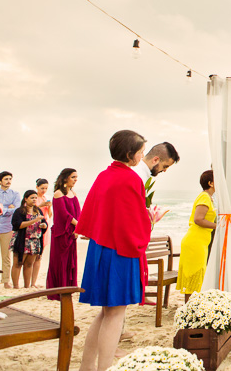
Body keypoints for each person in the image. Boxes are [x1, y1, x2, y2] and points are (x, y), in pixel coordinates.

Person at [77, 130, 152, 371]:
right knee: (115, 315)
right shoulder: (131, 179)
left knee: (104, 314)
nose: (142, 156)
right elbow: (134, 221)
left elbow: (94, 214)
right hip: (119, 251)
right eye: (140, 151)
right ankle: (104, 369)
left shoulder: (103, 175)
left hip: (100, 248)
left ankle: (86, 367)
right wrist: (151, 220)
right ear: (130, 154)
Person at [177, 170, 217, 302]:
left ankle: (193, 308)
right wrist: (218, 226)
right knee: (194, 276)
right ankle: (190, 309)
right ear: (210, 183)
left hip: (200, 241)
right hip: (195, 242)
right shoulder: (204, 197)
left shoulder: (209, 198)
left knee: (198, 276)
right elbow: (198, 219)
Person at [46, 168, 81, 300]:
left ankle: (69, 288)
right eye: (73, 177)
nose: (75, 179)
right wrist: (77, 224)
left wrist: (78, 228)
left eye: (76, 177)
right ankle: (58, 290)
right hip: (62, 233)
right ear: (66, 178)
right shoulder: (58, 194)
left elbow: (79, 212)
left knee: (70, 261)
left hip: (72, 233)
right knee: (60, 261)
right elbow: (63, 214)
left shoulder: (73, 193)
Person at [9, 190, 48, 288]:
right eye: (32, 198)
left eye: (35, 198)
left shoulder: (38, 210)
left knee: (29, 264)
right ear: (26, 199)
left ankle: (27, 286)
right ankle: (16, 286)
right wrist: (34, 220)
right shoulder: (20, 211)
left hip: (35, 240)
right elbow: (17, 225)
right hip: (22, 240)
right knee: (18, 263)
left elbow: (44, 222)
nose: (34, 200)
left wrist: (44, 225)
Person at [0, 171, 21, 287]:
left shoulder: (15, 194)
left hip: (7, 228)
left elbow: (17, 209)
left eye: (10, 179)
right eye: (6, 179)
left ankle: (6, 281)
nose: (8, 181)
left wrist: (0, 209)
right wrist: (7, 208)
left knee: (6, 256)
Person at [31, 178, 52, 288]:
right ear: (37, 187)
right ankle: (29, 281)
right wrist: (41, 204)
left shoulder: (45, 198)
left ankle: (33, 282)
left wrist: (49, 207)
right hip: (34, 226)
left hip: (45, 225)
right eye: (42, 188)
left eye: (46, 188)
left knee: (39, 255)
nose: (44, 190)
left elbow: (50, 215)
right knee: (32, 255)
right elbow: (29, 210)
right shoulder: (34, 198)